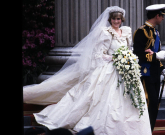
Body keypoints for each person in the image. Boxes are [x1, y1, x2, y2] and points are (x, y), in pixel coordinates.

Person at [23, 6, 152, 135]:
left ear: (121, 19)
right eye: (114, 19)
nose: (116, 21)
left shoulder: (126, 31)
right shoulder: (105, 33)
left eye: (118, 19)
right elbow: (99, 54)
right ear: (110, 19)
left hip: (126, 69)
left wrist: (129, 57)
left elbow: (129, 49)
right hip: (111, 68)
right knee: (103, 100)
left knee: (130, 99)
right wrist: (115, 58)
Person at [133, 4, 165, 132]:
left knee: (155, 105)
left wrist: (163, 69)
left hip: (154, 74)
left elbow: (156, 55)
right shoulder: (141, 32)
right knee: (149, 103)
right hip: (145, 74)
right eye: (162, 16)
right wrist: (154, 56)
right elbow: (137, 54)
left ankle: (149, 131)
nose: (163, 19)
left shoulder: (155, 31)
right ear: (157, 16)